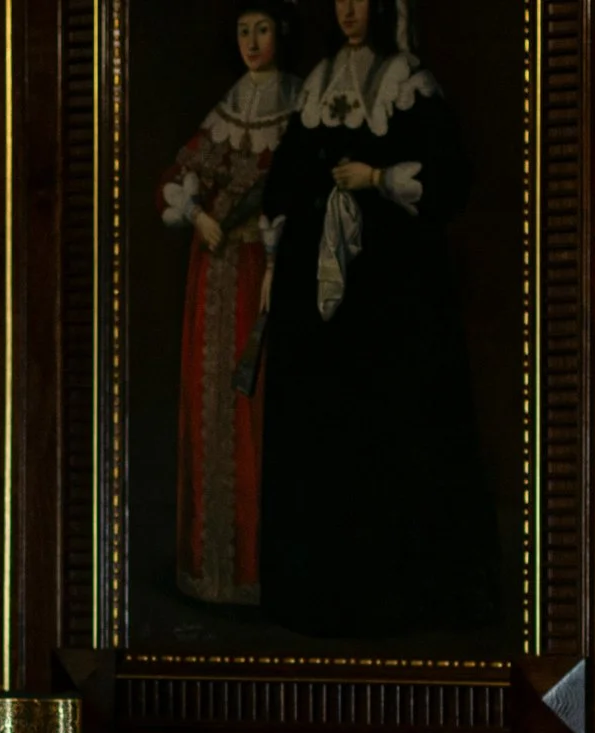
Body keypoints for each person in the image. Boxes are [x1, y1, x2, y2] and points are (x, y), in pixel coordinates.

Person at [256, 0, 499, 638]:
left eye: (360, 0)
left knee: (390, 426)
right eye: (339, 1)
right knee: (322, 429)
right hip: (321, 300)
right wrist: (297, 218)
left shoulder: (408, 80)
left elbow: (451, 178)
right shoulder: (317, 82)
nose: (348, 12)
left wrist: (378, 176)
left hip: (393, 294)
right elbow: (285, 175)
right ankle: (319, 594)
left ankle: (395, 598)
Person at [158, 2, 302, 606]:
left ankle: (258, 574)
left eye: (262, 29)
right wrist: (197, 216)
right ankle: (209, 569)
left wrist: (272, 253)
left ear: (281, 33)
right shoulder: (227, 104)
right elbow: (177, 176)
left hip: (264, 272)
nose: (251, 41)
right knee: (209, 401)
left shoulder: (301, 101)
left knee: (260, 409)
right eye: (243, 30)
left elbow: (297, 190)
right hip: (213, 275)